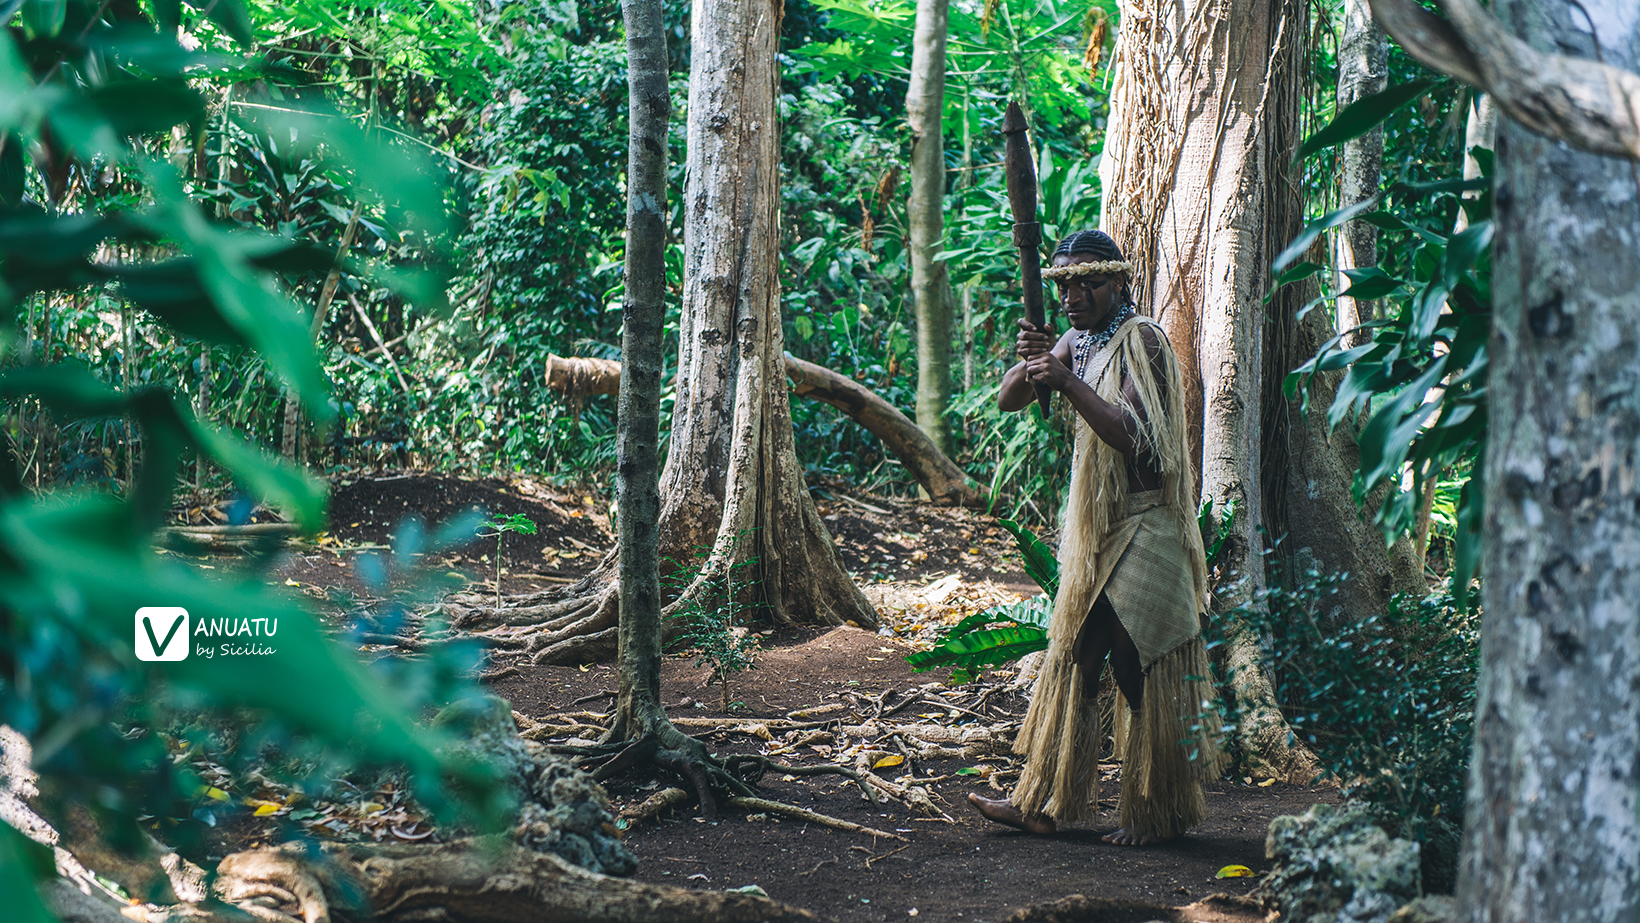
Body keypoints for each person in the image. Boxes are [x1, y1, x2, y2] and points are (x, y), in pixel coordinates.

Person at [968, 229, 1224, 845]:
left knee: (1139, 664)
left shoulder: (1145, 341)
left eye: (1088, 283)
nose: (1073, 296)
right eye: (1064, 285)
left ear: (1119, 283)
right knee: (1076, 656)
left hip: (1147, 521)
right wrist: (1033, 363)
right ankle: (1043, 800)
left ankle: (1155, 812)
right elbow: (1008, 399)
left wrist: (1063, 379)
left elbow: (1136, 437)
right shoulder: (1079, 340)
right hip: (1102, 528)